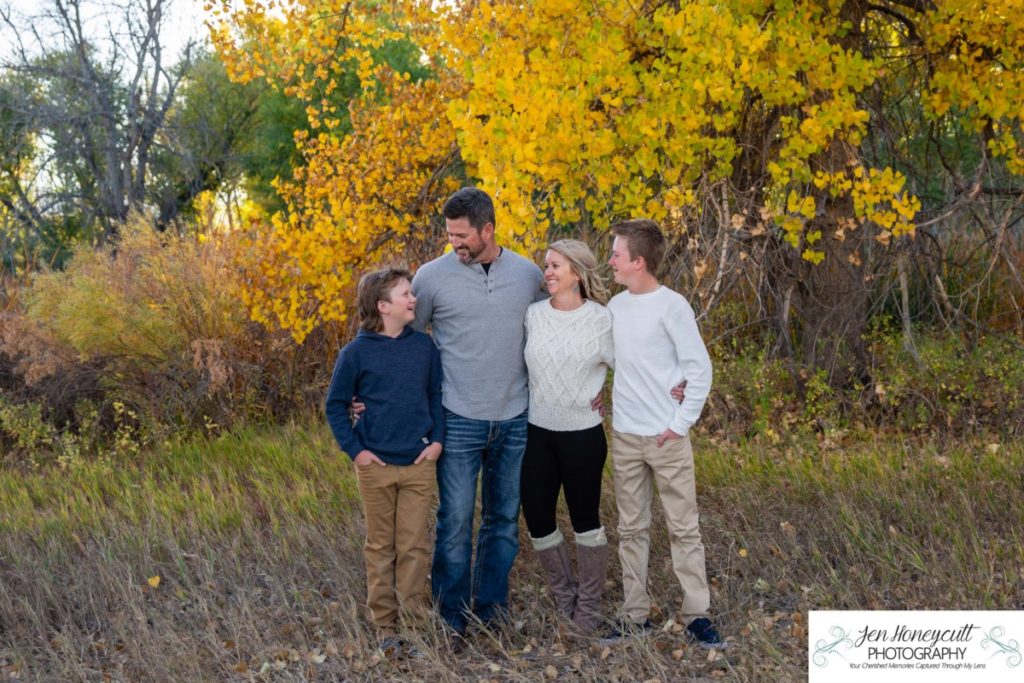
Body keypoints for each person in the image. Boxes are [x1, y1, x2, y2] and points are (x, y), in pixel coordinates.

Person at [411, 187, 545, 638]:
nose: (455, 243)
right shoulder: (430, 278)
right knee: (455, 521)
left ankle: (491, 610)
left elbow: (558, 331)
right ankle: (452, 617)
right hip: (458, 417)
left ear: (488, 229)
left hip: (515, 417)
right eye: (449, 234)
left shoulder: (528, 275)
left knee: (504, 521)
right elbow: (405, 343)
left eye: (463, 235)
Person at [603, 218, 726, 649]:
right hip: (626, 437)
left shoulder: (673, 306)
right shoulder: (615, 308)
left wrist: (679, 424)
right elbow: (612, 361)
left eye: (617, 254)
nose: (611, 261)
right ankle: (634, 614)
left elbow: (699, 369)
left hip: (666, 437)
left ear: (639, 261)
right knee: (631, 528)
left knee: (683, 526)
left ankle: (696, 613)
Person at [324, 268, 444, 653]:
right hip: (375, 467)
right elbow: (335, 405)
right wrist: (356, 451)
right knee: (380, 546)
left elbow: (436, 395)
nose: (414, 300)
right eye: (406, 294)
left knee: (413, 545)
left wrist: (437, 442)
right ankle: (385, 626)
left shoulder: (424, 347)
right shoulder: (356, 353)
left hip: (419, 462)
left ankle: (414, 619)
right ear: (383, 306)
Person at [521, 239, 614, 634]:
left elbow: (630, 366)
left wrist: (609, 393)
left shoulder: (602, 319)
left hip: (583, 436)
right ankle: (566, 598)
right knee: (538, 518)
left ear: (577, 271)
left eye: (556, 266)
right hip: (537, 432)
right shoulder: (533, 315)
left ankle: (588, 609)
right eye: (547, 266)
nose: (549, 272)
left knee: (585, 521)